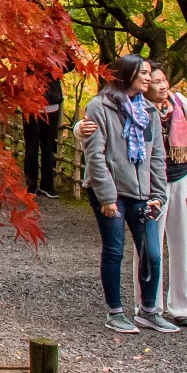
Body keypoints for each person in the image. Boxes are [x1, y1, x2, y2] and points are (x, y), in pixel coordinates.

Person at [74, 53, 177, 334]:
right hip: (112, 192)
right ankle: (115, 311)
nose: (148, 78)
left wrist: (159, 194)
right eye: (143, 73)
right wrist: (107, 197)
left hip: (144, 194)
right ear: (127, 74)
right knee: (114, 249)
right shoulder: (99, 107)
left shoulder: (149, 111)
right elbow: (95, 155)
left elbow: (157, 155)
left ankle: (148, 311)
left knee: (152, 253)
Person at [148, 63, 187, 327]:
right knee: (149, 245)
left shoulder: (183, 107)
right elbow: (101, 119)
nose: (162, 86)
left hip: (181, 179)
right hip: (150, 182)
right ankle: (150, 305)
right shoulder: (133, 107)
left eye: (164, 80)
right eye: (155, 82)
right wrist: (80, 127)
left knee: (181, 243)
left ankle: (183, 307)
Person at [24, 64, 66, 198]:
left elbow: (68, 65)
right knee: (32, 146)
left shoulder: (58, 48)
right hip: (31, 103)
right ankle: (30, 186)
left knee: (49, 147)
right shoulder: (29, 45)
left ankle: (47, 186)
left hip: (52, 102)